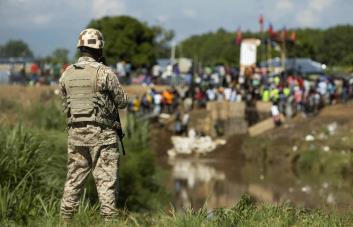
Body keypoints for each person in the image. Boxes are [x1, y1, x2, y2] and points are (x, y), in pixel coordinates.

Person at [59, 28, 128, 221]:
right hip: (102, 135)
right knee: (106, 183)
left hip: (76, 134)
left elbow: (65, 100)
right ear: (99, 48)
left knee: (73, 180)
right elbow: (122, 101)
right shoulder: (104, 72)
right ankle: (109, 222)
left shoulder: (67, 73)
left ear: (81, 48)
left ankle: (64, 221)